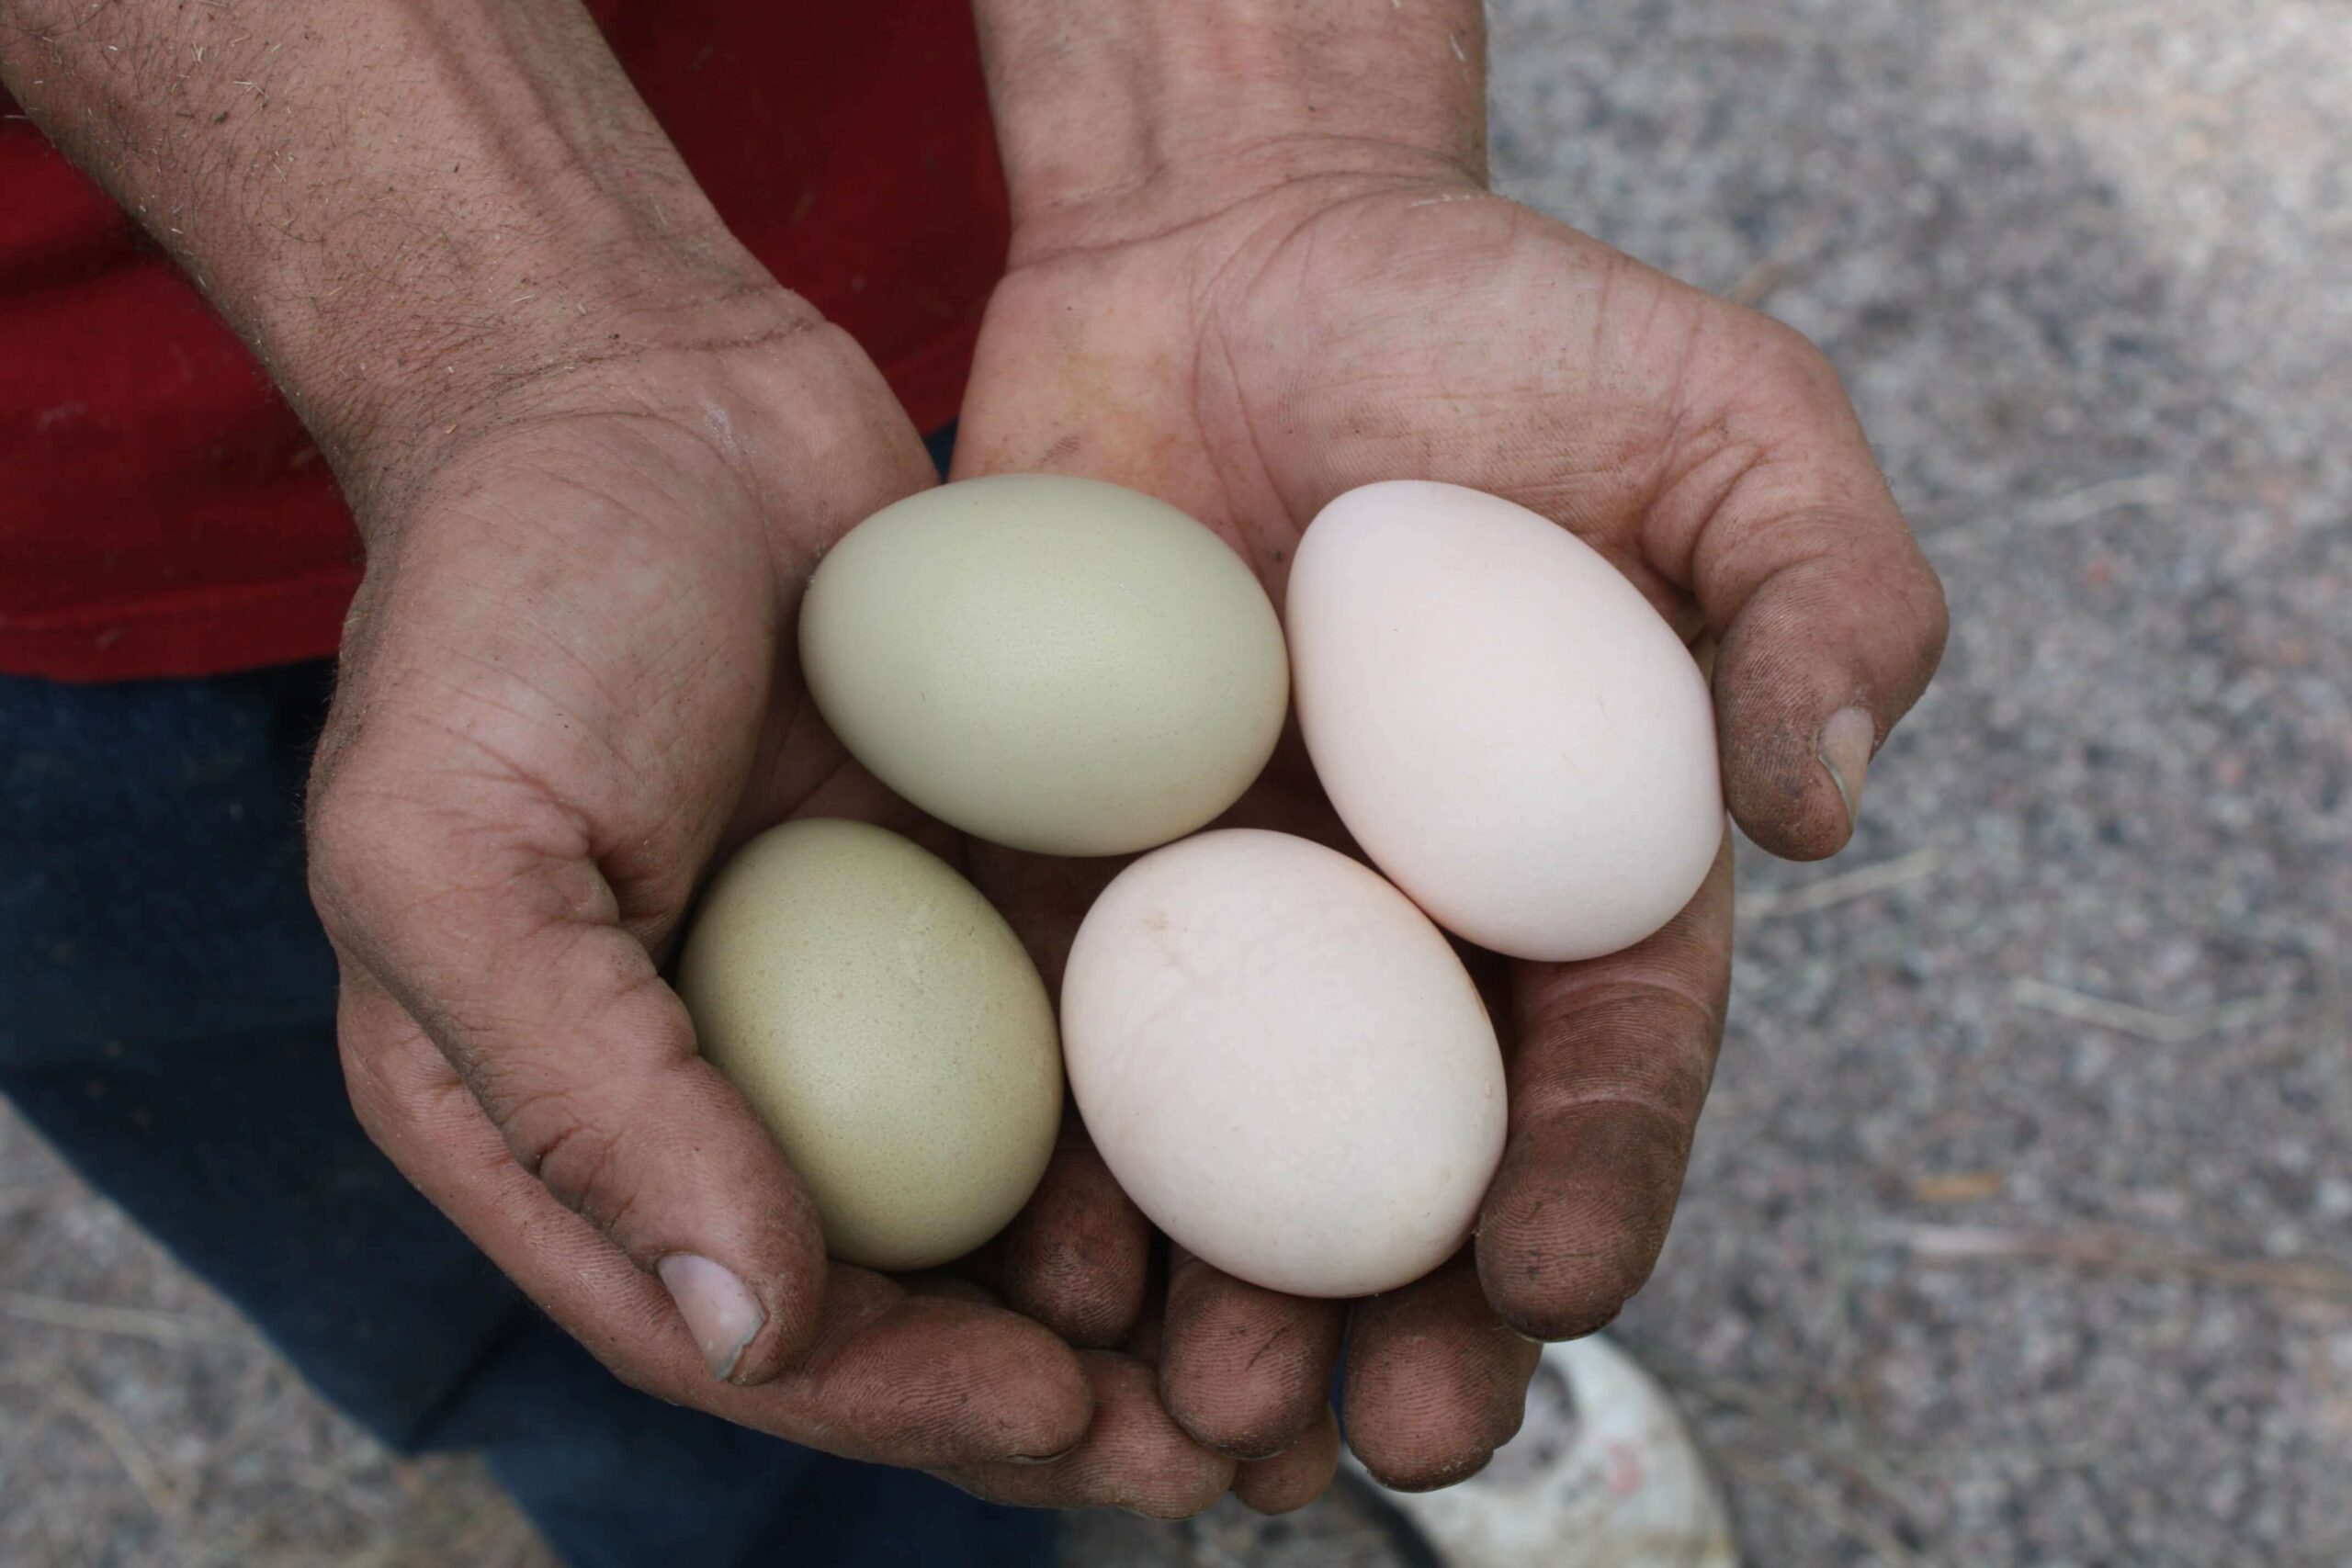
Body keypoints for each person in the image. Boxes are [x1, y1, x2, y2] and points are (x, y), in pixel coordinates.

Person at [0, 1, 1948, 1562]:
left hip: (995, 289)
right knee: (621, 1234)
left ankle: (1249, 1292)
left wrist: (1257, 123)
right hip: (53, 528)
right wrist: (504, 338)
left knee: (880, 1221)